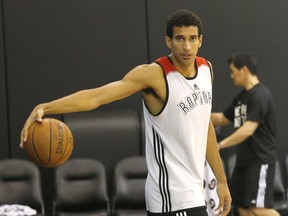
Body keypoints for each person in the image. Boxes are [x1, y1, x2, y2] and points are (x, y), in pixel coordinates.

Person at [20, 9, 231, 216]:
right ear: (168, 41)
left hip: (194, 192)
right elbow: (97, 97)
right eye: (180, 39)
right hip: (170, 195)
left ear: (200, 40)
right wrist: (45, 107)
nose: (187, 46)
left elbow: (205, 128)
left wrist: (221, 180)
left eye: (192, 38)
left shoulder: (206, 70)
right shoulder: (154, 75)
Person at [211, 52, 279, 216]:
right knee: (241, 208)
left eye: (233, 71)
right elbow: (222, 118)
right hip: (244, 162)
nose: (231, 75)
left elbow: (248, 129)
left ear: (244, 70)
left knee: (258, 209)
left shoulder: (261, 95)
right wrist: (198, 114)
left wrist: (219, 145)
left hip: (260, 160)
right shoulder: (241, 98)